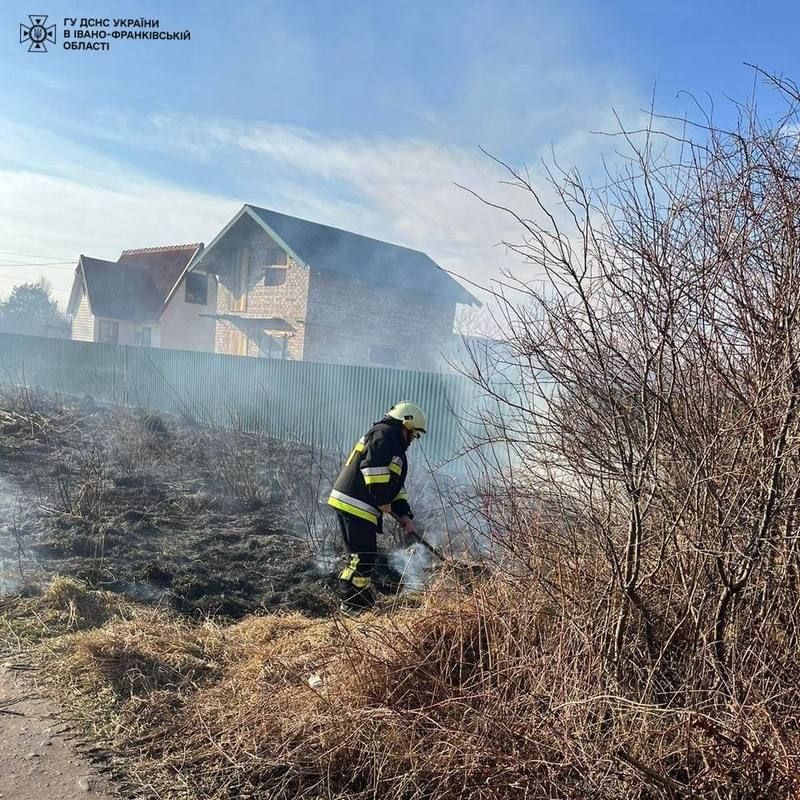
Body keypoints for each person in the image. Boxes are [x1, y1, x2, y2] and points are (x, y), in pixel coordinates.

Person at [327, 401, 426, 614]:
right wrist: (382, 498)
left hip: (359, 504)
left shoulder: (391, 442)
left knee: (366, 556)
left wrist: (405, 515)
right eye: (414, 434)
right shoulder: (386, 435)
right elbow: (372, 469)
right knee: (360, 558)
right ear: (406, 424)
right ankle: (351, 605)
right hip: (355, 503)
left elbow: (394, 487)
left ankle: (360, 604)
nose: (412, 440)